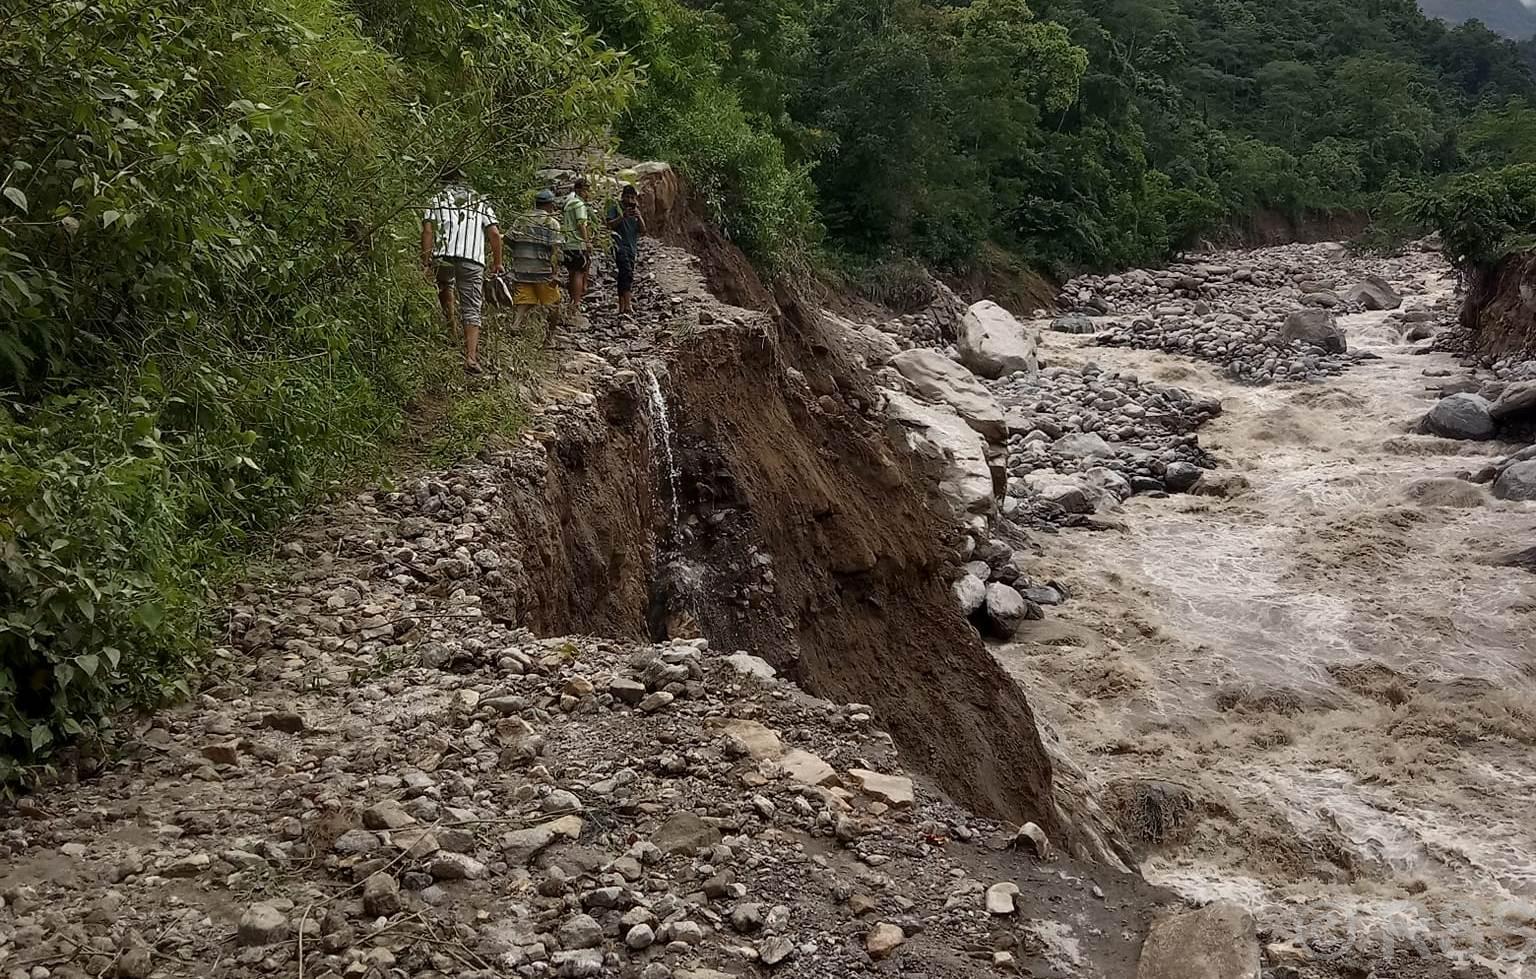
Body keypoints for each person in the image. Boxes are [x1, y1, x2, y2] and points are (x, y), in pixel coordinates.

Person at [422, 167, 502, 373]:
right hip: (472, 259)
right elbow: (494, 233)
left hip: (443, 256)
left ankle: (451, 330)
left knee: (445, 286)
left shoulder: (436, 199)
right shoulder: (478, 201)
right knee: (471, 307)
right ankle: (471, 357)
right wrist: (497, 262)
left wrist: (426, 259)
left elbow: (428, 230)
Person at [505, 189, 564, 342]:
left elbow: (508, 238)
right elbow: (555, 251)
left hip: (521, 268)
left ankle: (516, 324)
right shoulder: (552, 223)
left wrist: (519, 251)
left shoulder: (522, 219)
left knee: (525, 300)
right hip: (543, 271)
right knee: (554, 303)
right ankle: (550, 337)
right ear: (550, 205)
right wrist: (555, 274)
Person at [606, 184, 646, 316]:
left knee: (624, 276)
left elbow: (643, 231)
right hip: (619, 245)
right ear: (622, 197)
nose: (630, 200)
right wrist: (622, 216)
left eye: (632, 197)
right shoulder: (615, 208)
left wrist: (639, 216)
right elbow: (609, 225)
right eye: (627, 197)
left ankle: (622, 306)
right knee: (627, 273)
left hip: (631, 248)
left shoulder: (636, 210)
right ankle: (628, 306)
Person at [561, 177, 595, 320]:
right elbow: (581, 224)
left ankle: (571, 302)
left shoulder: (568, 204)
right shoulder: (579, 205)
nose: (588, 193)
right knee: (578, 273)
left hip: (567, 243)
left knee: (572, 273)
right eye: (587, 190)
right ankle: (576, 303)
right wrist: (587, 241)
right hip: (577, 243)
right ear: (580, 189)